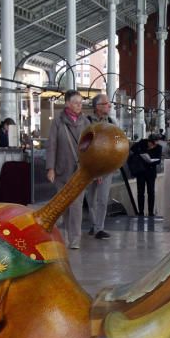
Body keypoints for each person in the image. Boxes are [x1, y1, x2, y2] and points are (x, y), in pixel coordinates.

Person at [45, 90, 88, 248]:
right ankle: (68, 234)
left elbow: (93, 147)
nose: (79, 106)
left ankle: (75, 239)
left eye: (81, 103)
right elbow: (51, 145)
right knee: (65, 205)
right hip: (62, 170)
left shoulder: (85, 122)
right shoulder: (58, 121)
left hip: (80, 171)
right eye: (76, 102)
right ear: (68, 103)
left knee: (76, 205)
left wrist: (95, 170)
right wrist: (50, 168)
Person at [84, 94, 118, 238]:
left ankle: (99, 228)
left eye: (109, 104)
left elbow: (116, 144)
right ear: (97, 107)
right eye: (106, 104)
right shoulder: (87, 122)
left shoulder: (112, 122)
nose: (109, 106)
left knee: (103, 199)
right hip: (90, 167)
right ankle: (94, 224)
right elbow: (85, 146)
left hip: (106, 167)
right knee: (90, 199)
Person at [129, 133, 163, 216]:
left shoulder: (158, 148)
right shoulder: (142, 143)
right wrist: (142, 150)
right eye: (151, 143)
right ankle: (141, 212)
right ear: (148, 141)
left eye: (154, 143)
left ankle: (150, 212)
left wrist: (150, 160)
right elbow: (132, 149)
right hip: (140, 171)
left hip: (151, 172)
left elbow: (158, 160)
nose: (152, 145)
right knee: (140, 192)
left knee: (151, 192)